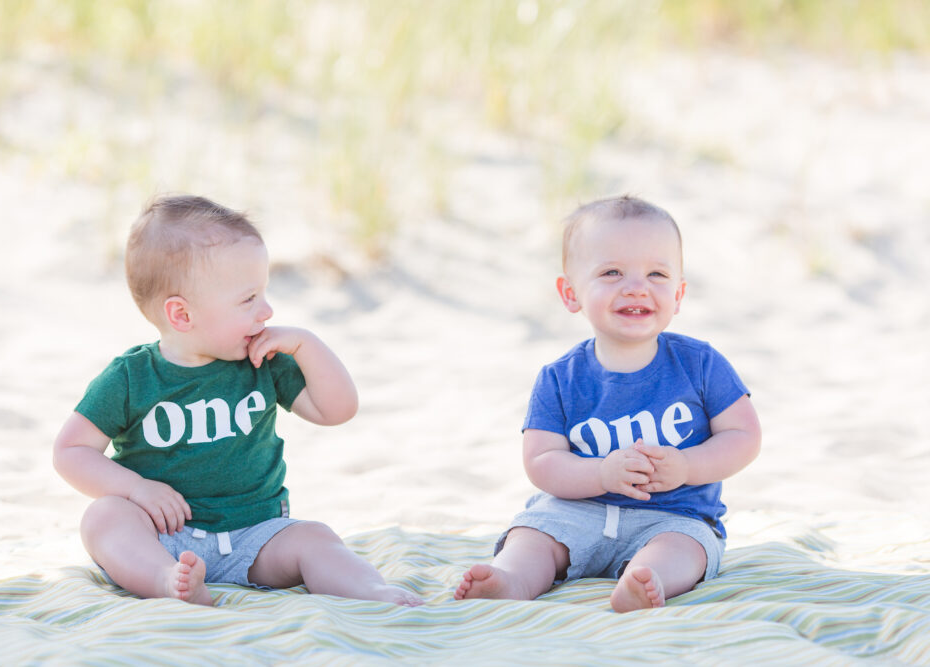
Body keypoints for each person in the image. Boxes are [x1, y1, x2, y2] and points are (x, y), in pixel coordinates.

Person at [53, 194, 422, 607]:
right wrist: (135, 489)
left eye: (263, 293)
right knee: (103, 518)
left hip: (257, 536)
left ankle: (371, 591)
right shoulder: (131, 378)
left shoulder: (263, 359)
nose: (266, 311)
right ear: (182, 315)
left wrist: (307, 345)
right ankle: (167, 580)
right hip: (163, 535)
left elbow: (337, 410)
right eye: (249, 299)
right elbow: (71, 451)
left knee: (316, 538)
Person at [453, 195, 761, 612]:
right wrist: (601, 473)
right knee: (533, 535)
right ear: (571, 293)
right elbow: (541, 461)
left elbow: (743, 435)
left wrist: (688, 466)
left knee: (686, 548)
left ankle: (645, 581)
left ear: (679, 293)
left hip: (673, 515)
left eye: (657, 273)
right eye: (611, 272)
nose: (636, 287)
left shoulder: (700, 364)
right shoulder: (560, 378)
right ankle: (511, 580)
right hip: (575, 512)